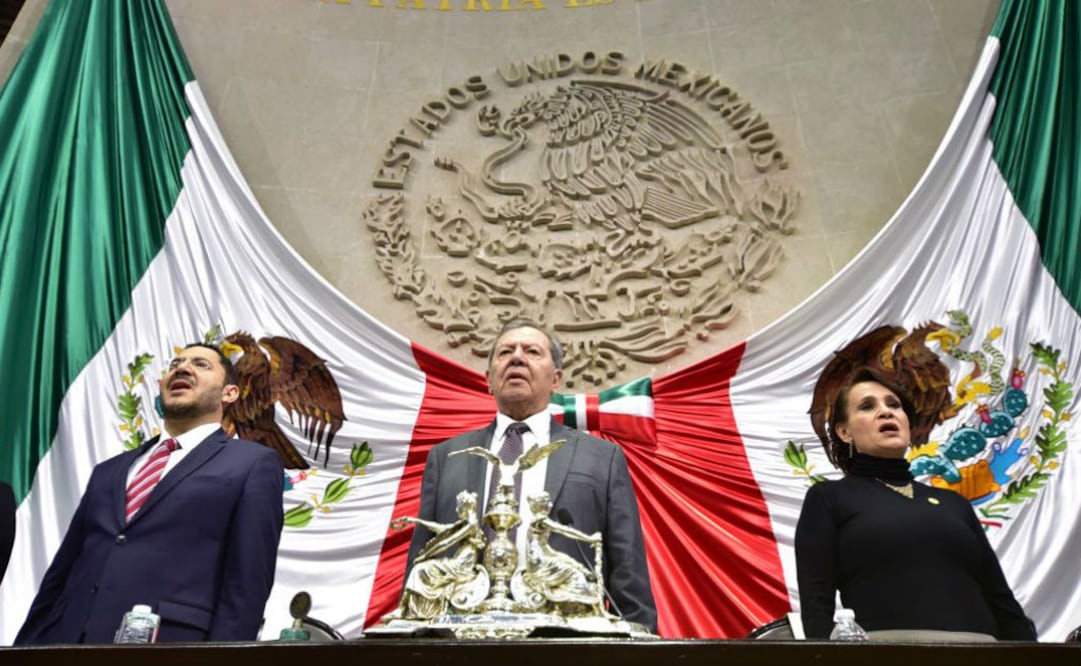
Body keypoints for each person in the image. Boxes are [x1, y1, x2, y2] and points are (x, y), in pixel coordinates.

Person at [15, 343, 284, 644]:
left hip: (171, 645)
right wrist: (26, 648)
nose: (182, 368)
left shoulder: (253, 464)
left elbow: (247, 585)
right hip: (65, 643)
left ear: (229, 393)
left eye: (201, 364)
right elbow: (61, 572)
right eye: (175, 364)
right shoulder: (109, 471)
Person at [406, 320, 657, 631]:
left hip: (566, 641)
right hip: (458, 642)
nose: (517, 358)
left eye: (533, 352)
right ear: (488, 380)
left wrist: (640, 647)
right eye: (505, 352)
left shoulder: (601, 458)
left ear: (556, 379)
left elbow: (627, 570)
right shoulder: (447, 458)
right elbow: (421, 561)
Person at [795, 366, 1036, 641]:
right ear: (844, 432)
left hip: (980, 654)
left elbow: (999, 597)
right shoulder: (828, 497)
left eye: (894, 405)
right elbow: (816, 602)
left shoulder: (954, 503)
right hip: (886, 656)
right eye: (866, 406)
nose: (886, 412)